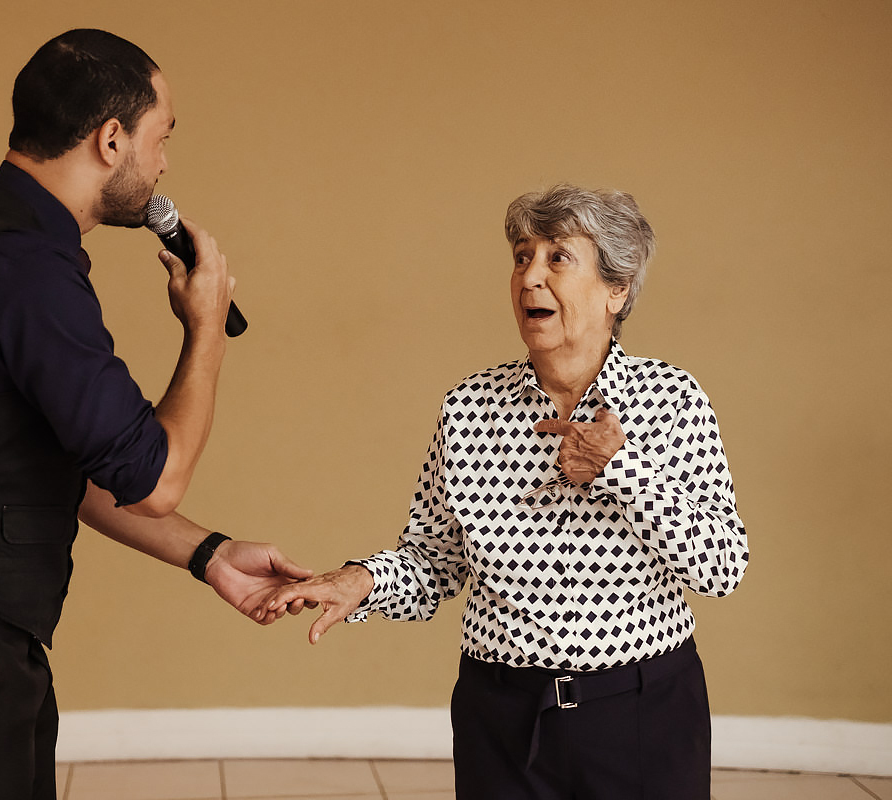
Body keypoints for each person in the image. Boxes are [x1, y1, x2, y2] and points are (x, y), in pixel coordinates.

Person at [0, 29, 309, 800]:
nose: (163, 166)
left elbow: (68, 470)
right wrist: (204, 330)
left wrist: (210, 554)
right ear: (111, 138)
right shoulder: (25, 270)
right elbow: (155, 479)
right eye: (161, 139)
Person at [266, 185, 748, 800]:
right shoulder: (468, 408)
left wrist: (621, 469)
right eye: (522, 256)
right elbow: (434, 562)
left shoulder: (673, 401)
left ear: (616, 290)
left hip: (639, 713)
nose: (530, 278)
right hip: (501, 716)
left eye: (558, 258)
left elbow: (721, 568)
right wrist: (360, 581)